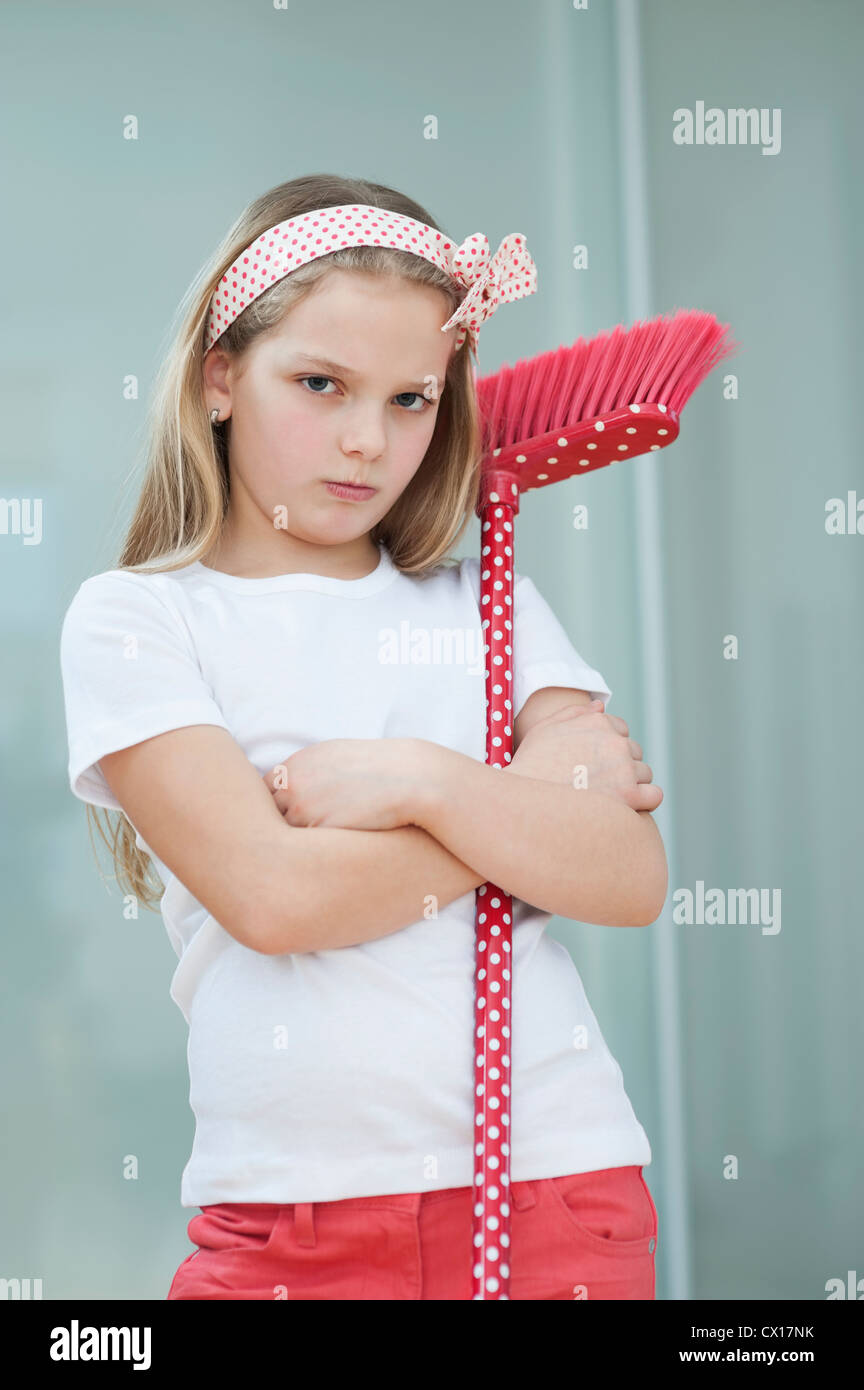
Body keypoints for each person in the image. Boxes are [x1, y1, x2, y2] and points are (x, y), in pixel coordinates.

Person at [58, 172, 666, 1301]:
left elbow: (626, 872)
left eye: (410, 399)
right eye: (322, 383)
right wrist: (516, 804)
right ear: (221, 377)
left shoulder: (489, 606)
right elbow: (276, 901)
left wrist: (421, 779)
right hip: (290, 1216)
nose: (365, 441)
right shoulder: (142, 617)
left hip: (549, 1181)